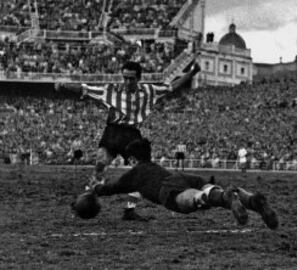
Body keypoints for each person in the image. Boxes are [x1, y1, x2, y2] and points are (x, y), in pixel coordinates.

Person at [56, 60, 200, 221]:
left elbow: (173, 86)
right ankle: (84, 201)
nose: (127, 82)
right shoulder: (111, 90)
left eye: (131, 78)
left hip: (132, 135)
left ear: (138, 78)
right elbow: (86, 89)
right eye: (125, 78)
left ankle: (129, 210)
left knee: (141, 174)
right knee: (100, 164)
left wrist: (191, 73)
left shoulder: (149, 91)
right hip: (112, 131)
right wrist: (65, 85)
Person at [87, 138, 279, 230]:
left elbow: (112, 188)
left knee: (191, 200)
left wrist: (96, 188)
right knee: (215, 193)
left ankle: (227, 197)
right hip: (182, 176)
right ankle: (252, 200)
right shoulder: (153, 166)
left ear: (132, 158)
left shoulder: (135, 173)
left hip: (167, 188)